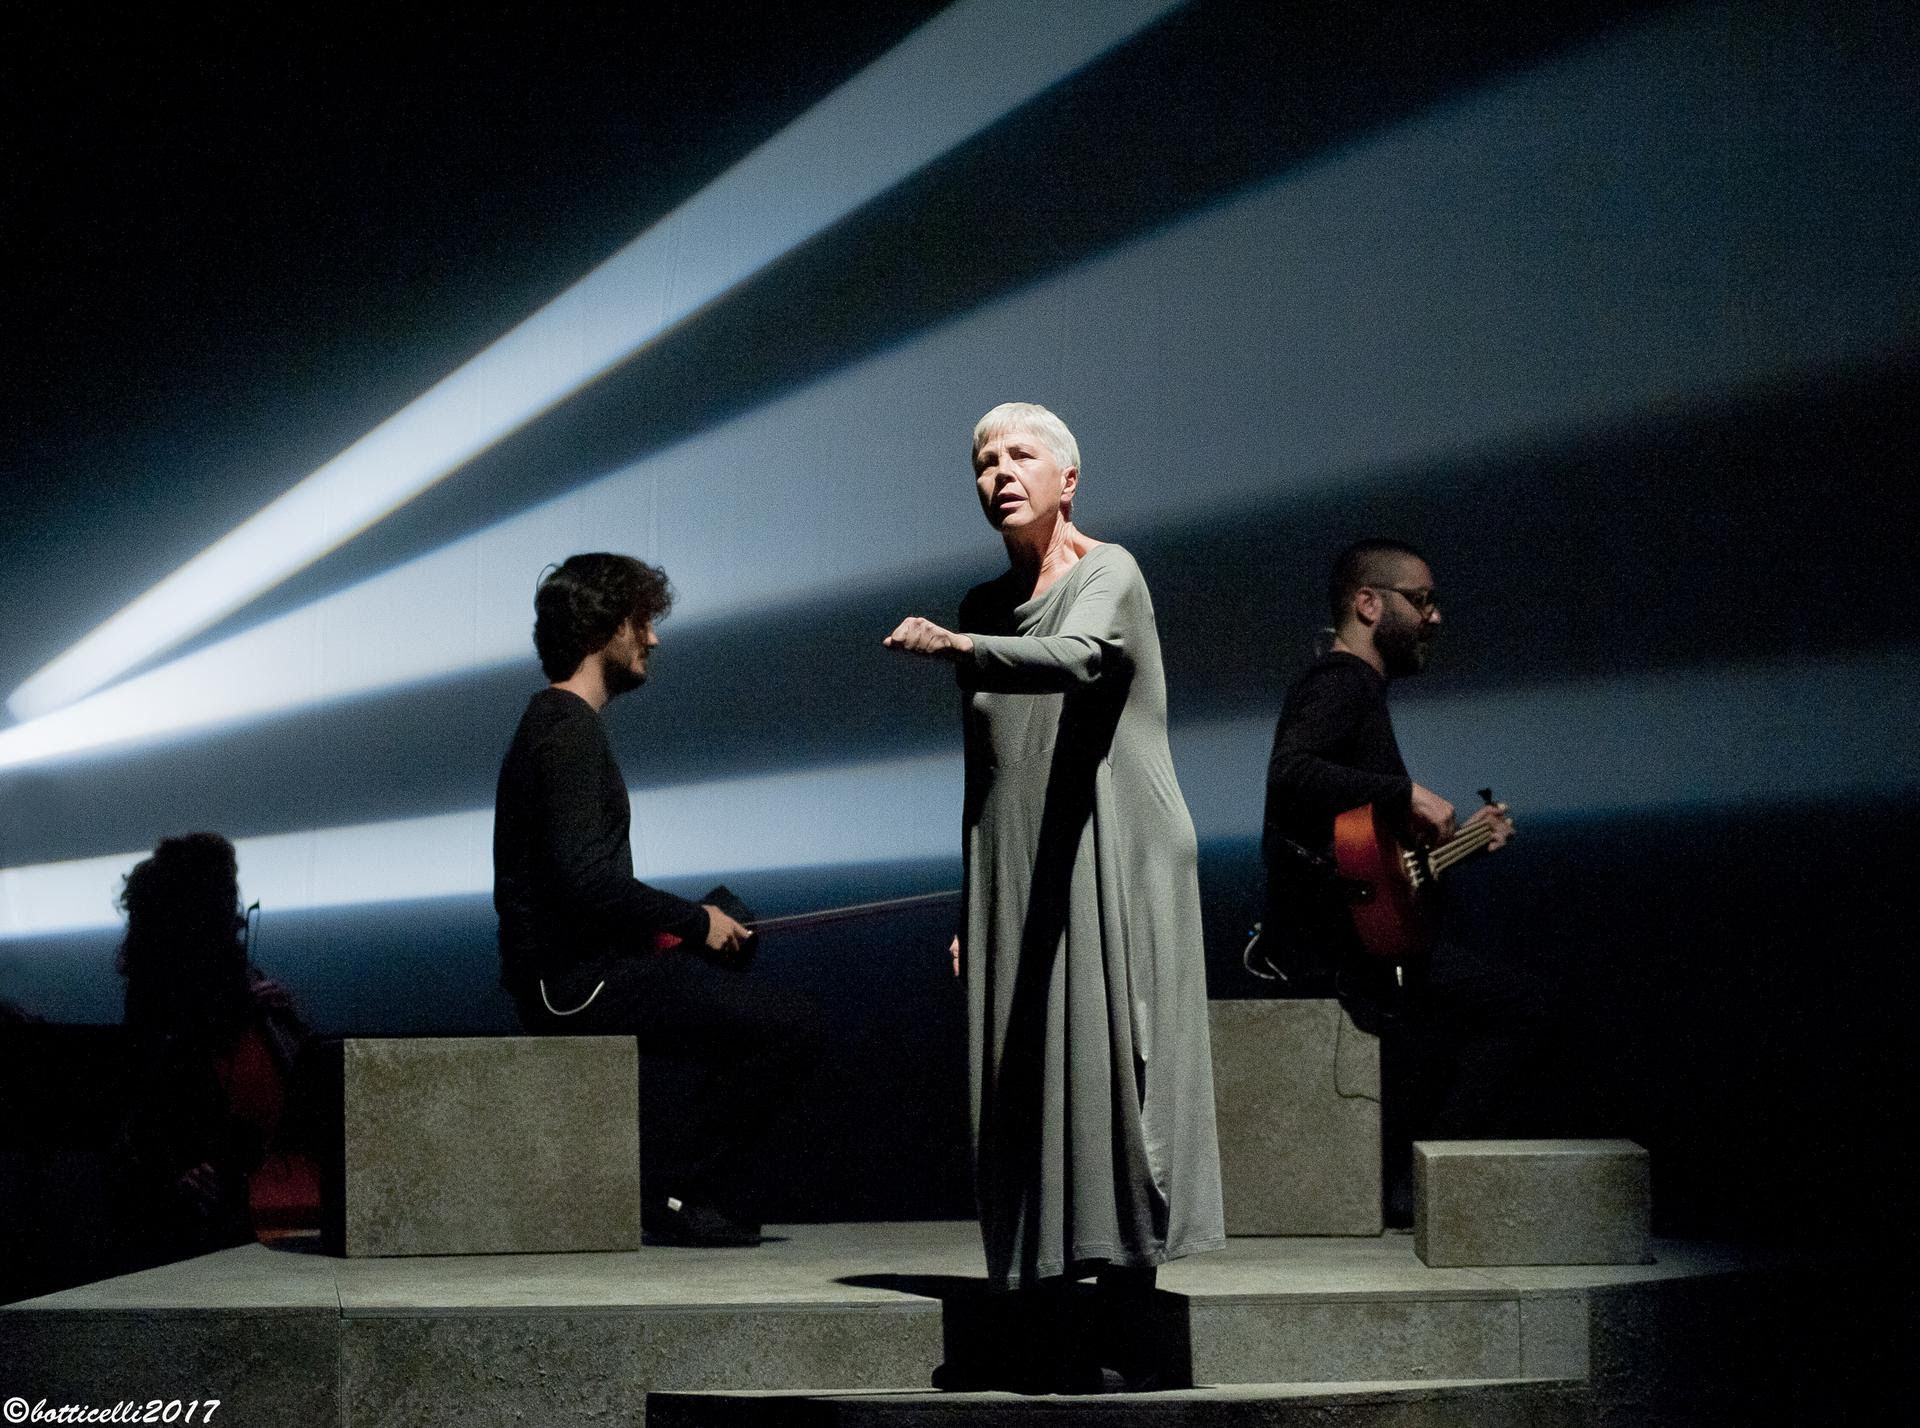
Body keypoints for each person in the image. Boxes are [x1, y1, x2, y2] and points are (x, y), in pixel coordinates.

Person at [885, 402, 1224, 1389]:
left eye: (1020, 454)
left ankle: (1122, 1304)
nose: (998, 472)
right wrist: (970, 900)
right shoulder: (984, 605)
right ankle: (1042, 1298)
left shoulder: (1110, 572)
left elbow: (1079, 659)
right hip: (1018, 861)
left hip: (1114, 847)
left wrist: (957, 648)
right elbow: (984, 768)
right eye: (983, 460)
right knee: (1022, 1074)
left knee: (1115, 1059)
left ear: (1067, 479)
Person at [494, 552, 821, 1247]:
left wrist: (687, 929)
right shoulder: (566, 729)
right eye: (640, 621)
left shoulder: (557, 724)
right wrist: (694, 922)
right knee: (789, 1026)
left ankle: (677, 1186)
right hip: (576, 989)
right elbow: (585, 881)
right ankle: (678, 1189)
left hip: (583, 973)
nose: (653, 637)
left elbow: (574, 888)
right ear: (603, 626)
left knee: (754, 1003)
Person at [1261, 537, 1552, 1222]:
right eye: (1421, 600)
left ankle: (1417, 1184)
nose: (1434, 616)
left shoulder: (1359, 690)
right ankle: (1430, 1186)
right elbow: (1291, 772)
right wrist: (1405, 792)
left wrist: (1465, 843)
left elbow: (1369, 851)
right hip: (1340, 950)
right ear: (1368, 604)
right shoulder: (1341, 682)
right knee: (1525, 1008)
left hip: (1363, 939)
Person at [113, 832, 321, 1268]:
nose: (234, 902)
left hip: (249, 1175)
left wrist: (283, 1016)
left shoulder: (233, 972)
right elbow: (155, 1079)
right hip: (202, 1181)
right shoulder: (160, 986)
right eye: (223, 890)